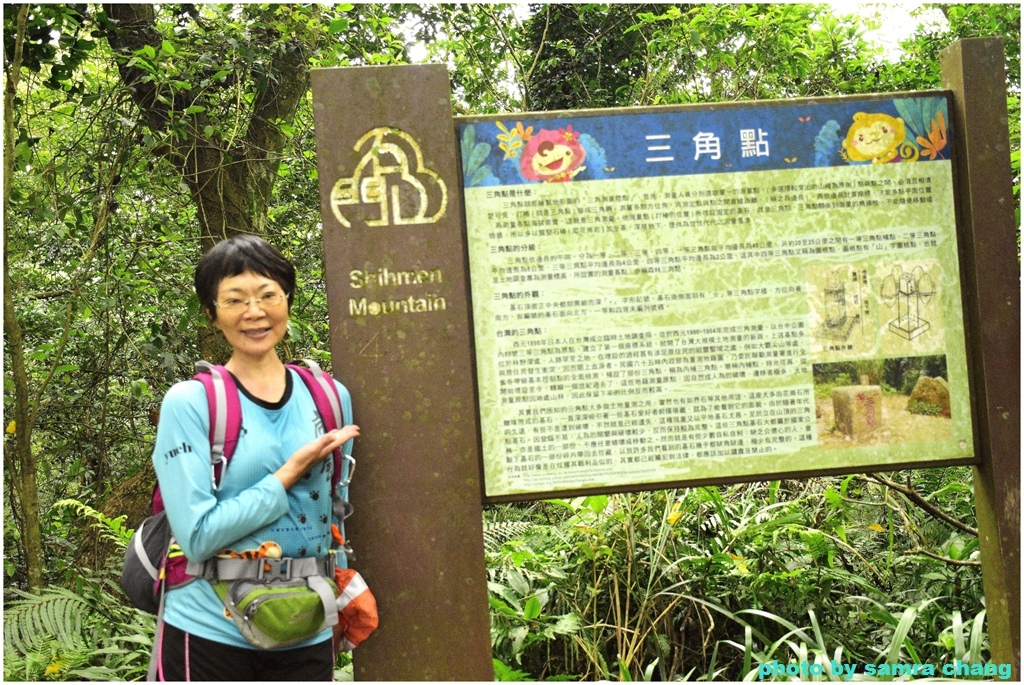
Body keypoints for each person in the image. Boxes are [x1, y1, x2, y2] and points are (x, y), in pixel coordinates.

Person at [150, 234, 359, 681]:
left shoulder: (329, 398)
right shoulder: (190, 404)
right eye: (234, 300)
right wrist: (286, 474)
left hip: (307, 627)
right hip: (210, 628)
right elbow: (199, 537)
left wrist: (345, 589)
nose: (254, 312)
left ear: (287, 301)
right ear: (211, 314)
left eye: (268, 295)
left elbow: (333, 513)